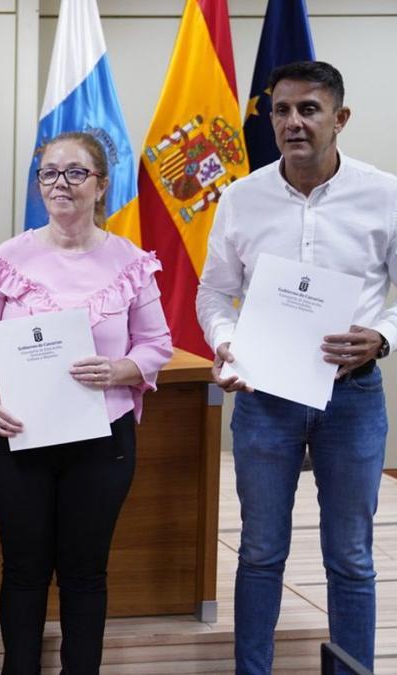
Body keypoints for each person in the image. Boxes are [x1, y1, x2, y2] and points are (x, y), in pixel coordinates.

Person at [196, 60, 396, 673]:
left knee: (351, 556)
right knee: (258, 551)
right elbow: (213, 293)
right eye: (281, 110)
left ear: (341, 118)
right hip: (265, 398)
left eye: (308, 110)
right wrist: (226, 340)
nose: (293, 122)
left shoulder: (385, 194)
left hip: (352, 399)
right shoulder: (241, 197)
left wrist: (382, 337)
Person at [0, 131, 173, 673]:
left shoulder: (130, 262)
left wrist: (120, 368)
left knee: (85, 572)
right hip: (18, 435)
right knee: (23, 570)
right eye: (50, 173)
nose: (61, 184)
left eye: (76, 173)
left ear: (101, 185)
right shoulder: (8, 258)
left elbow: (156, 343)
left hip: (102, 439)